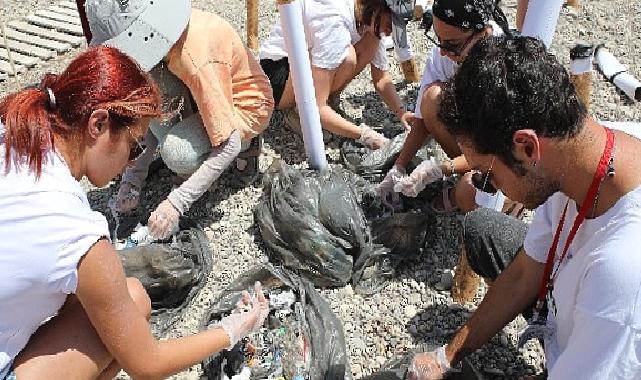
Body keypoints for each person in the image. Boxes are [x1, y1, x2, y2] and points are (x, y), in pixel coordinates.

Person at [0, 46, 269, 380]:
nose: (133, 161)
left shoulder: (13, 136)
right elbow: (148, 365)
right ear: (97, 124)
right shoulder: (74, 230)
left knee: (130, 298)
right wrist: (233, 329)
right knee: (125, 322)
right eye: (136, 146)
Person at [407, 35, 641, 379]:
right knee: (484, 228)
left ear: (527, 148)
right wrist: (445, 358)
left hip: (612, 340)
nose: (486, 188)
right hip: (583, 307)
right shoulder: (578, 152)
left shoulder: (621, 270)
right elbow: (523, 273)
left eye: (487, 177)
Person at [85, 0, 275, 239]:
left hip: (246, 107)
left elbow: (230, 143)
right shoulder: (167, 43)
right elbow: (149, 116)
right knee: (149, 91)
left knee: (177, 153)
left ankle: (249, 145)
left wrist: (177, 203)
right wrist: (133, 178)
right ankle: (197, 140)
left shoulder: (195, 60)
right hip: (205, 92)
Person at [377, 0, 511, 212]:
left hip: (508, 157)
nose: (442, 52)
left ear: (483, 34)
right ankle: (464, 170)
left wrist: (440, 169)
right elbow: (422, 118)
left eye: (451, 44)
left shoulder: (503, 66)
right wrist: (399, 166)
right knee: (432, 99)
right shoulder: (447, 53)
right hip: (476, 140)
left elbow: (499, 153)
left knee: (470, 194)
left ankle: (508, 201)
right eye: (438, 39)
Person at [259, 0, 413, 150]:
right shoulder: (335, 21)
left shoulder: (369, 18)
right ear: (377, 6)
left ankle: (326, 108)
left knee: (371, 41)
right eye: (390, 25)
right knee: (348, 58)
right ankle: (301, 115)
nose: (389, 32)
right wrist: (364, 135)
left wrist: (402, 113)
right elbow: (316, 107)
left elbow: (381, 79)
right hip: (277, 74)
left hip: (303, 65)